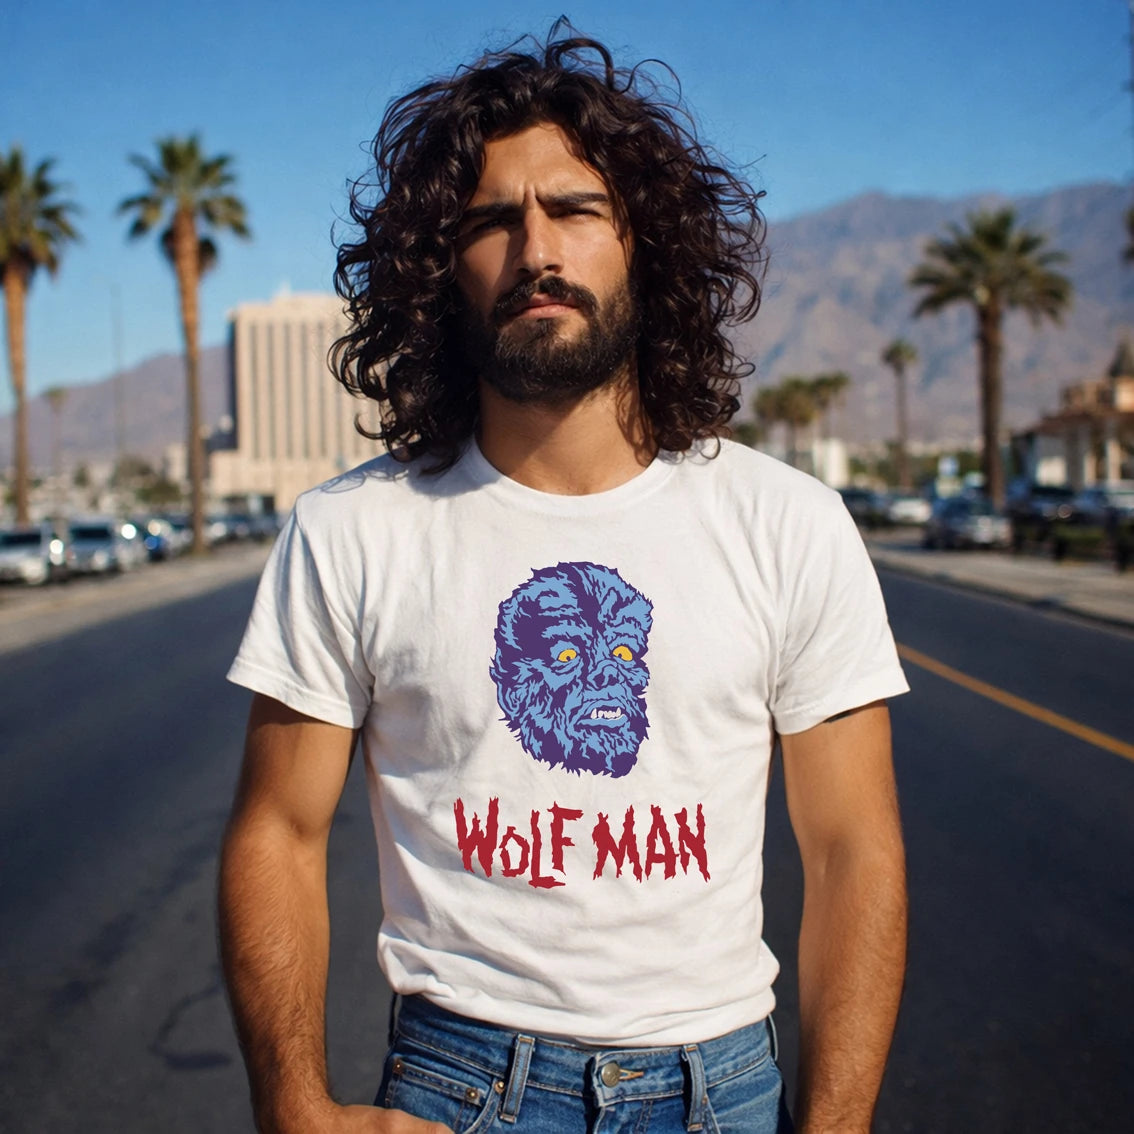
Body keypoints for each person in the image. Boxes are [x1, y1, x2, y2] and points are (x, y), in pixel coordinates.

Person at [219, 28, 909, 1134]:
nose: (537, 248)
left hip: (720, 1086)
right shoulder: (353, 530)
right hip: (460, 1083)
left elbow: (851, 849)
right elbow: (277, 832)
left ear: (646, 247)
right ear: (440, 271)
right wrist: (295, 1111)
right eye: (491, 221)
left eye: (577, 210)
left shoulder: (789, 524)